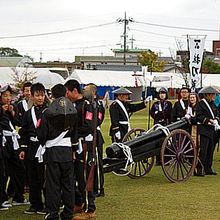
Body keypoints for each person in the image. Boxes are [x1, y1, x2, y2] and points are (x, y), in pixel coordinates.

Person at [36, 84, 78, 220]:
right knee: (68, 185)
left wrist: (44, 143)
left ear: (52, 95)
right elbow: (75, 134)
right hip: (67, 151)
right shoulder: (72, 110)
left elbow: (41, 133)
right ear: (66, 93)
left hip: (53, 152)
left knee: (53, 185)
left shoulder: (47, 112)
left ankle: (52, 213)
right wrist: (74, 149)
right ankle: (68, 213)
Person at [65, 80, 97, 220]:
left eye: (67, 92)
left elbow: (89, 126)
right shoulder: (72, 105)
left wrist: (73, 132)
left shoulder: (86, 105)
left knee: (86, 176)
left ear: (75, 91)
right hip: (75, 145)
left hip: (85, 145)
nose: (66, 95)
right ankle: (79, 203)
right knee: (77, 176)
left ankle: (91, 209)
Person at [19, 83, 47, 214]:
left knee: (45, 178)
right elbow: (23, 132)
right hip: (31, 147)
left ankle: (49, 203)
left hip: (44, 148)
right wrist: (22, 149)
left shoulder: (49, 111)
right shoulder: (28, 113)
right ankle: (35, 204)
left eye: (42, 95)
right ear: (32, 96)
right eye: (37, 95)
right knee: (32, 177)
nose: (40, 98)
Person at [0, 85, 28, 208]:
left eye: (9, 95)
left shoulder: (13, 107)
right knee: (3, 171)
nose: (8, 98)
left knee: (19, 168)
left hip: (13, 141)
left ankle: (18, 196)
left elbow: (18, 123)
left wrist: (11, 112)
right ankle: (2, 198)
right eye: (5, 95)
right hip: (3, 142)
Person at [83, 83, 105, 197]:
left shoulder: (98, 104)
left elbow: (99, 119)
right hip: (89, 136)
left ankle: (100, 188)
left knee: (97, 163)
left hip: (96, 136)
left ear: (93, 92)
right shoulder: (88, 104)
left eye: (86, 90)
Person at [196, 86, 220, 176]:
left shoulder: (213, 104)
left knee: (210, 150)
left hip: (212, 130)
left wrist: (216, 120)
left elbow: (217, 113)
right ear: (207, 95)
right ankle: (199, 169)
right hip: (204, 130)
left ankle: (208, 168)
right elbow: (199, 116)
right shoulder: (201, 104)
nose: (214, 96)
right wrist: (208, 120)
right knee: (203, 150)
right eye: (213, 95)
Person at [150, 87, 172, 165]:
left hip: (165, 124)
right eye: (160, 93)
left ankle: (166, 159)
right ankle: (158, 160)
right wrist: (158, 114)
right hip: (157, 124)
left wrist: (158, 113)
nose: (162, 95)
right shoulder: (155, 104)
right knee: (157, 142)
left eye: (163, 93)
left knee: (166, 142)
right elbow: (152, 113)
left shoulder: (168, 103)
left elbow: (167, 113)